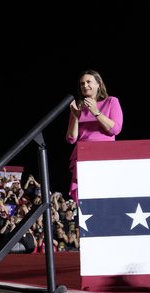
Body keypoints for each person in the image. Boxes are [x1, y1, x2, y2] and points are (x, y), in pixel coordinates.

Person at [66, 69, 123, 203]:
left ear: (98, 84)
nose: (85, 86)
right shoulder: (79, 106)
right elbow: (71, 138)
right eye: (82, 84)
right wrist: (75, 116)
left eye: (88, 82)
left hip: (105, 154)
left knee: (105, 193)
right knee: (86, 198)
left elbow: (115, 129)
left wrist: (96, 112)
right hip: (83, 154)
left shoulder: (111, 101)